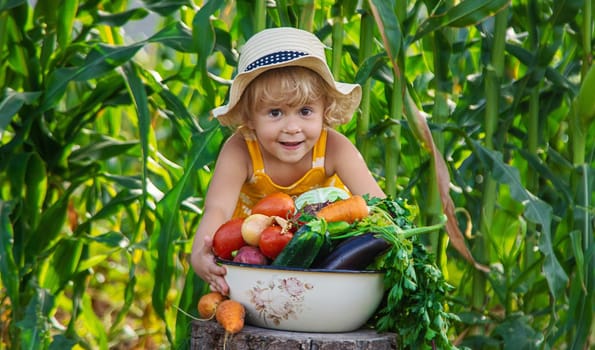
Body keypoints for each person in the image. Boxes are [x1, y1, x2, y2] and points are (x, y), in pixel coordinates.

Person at [190, 27, 385, 294]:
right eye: (275, 112)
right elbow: (217, 209)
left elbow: (377, 205)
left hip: (324, 261)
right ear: (249, 117)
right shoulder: (241, 151)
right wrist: (200, 252)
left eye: (305, 111)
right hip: (254, 262)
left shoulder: (335, 148)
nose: (292, 127)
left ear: (324, 111)